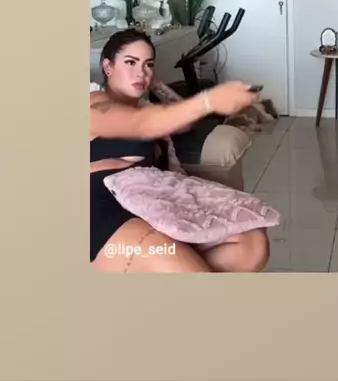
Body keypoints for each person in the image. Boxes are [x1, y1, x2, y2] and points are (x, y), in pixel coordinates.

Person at [90, 28, 270, 272]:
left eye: (148, 64)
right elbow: (140, 124)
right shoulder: (95, 102)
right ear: (108, 67)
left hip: (151, 205)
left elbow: (184, 123)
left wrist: (155, 83)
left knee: (252, 246)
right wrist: (210, 101)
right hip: (105, 208)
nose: (141, 71)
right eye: (131, 62)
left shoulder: (146, 108)